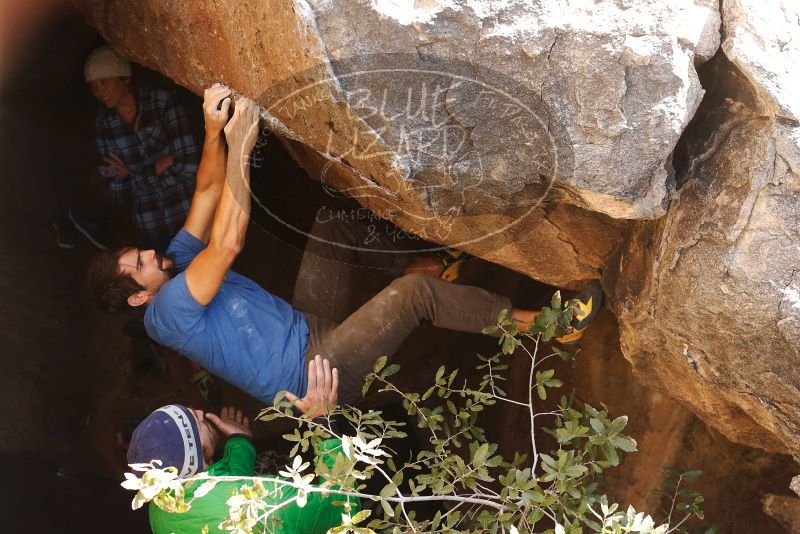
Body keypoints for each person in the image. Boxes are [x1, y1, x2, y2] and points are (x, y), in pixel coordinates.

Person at [88, 83, 602, 407]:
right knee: (412, 296)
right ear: (138, 296)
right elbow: (226, 243)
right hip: (316, 374)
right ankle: (550, 328)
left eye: (139, 251)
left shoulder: (172, 265)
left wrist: (212, 129)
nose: (150, 254)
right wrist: (242, 147)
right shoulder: (168, 313)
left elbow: (205, 192)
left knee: (331, 225)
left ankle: (429, 263)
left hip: (307, 325)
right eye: (139, 263)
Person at [127, 355, 359, 534]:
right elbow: (341, 507)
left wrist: (240, 442)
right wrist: (322, 421)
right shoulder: (267, 503)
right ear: (197, 454)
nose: (199, 412)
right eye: (194, 422)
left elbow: (225, 489)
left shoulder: (160, 507)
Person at [79, 46, 200, 252]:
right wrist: (157, 167)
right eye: (93, 86)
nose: (99, 92)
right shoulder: (104, 125)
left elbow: (190, 164)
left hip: (188, 218)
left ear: (125, 79)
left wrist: (132, 176)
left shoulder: (161, 103)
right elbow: (115, 189)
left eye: (104, 82)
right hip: (151, 227)